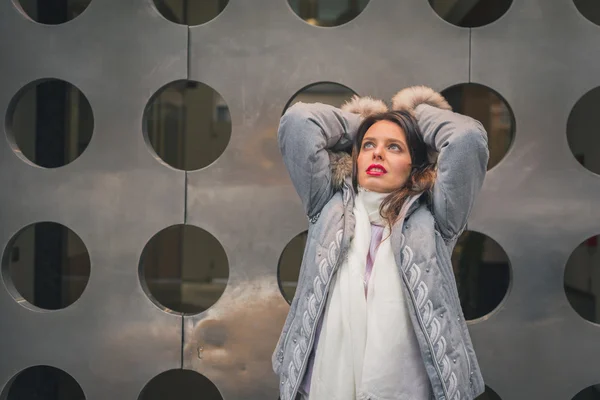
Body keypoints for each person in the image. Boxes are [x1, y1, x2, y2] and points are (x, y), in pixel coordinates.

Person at [272, 86, 489, 400]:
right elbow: (298, 121)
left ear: (414, 165)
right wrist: (363, 122)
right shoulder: (327, 205)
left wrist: (414, 113)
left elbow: (466, 138)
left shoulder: (435, 220)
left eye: (395, 147)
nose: (377, 153)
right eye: (368, 145)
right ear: (356, 157)